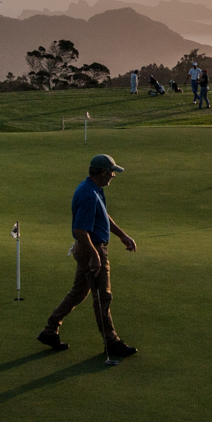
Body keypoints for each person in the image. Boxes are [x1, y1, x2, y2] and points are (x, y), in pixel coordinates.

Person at [39, 154, 138, 360]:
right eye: (112, 172)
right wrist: (94, 256)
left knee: (78, 293)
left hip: (89, 248)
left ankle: (50, 330)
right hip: (92, 249)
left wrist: (122, 235)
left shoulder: (93, 189)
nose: (113, 176)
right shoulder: (88, 195)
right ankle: (111, 342)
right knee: (103, 297)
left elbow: (103, 216)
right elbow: (80, 230)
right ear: (103, 172)